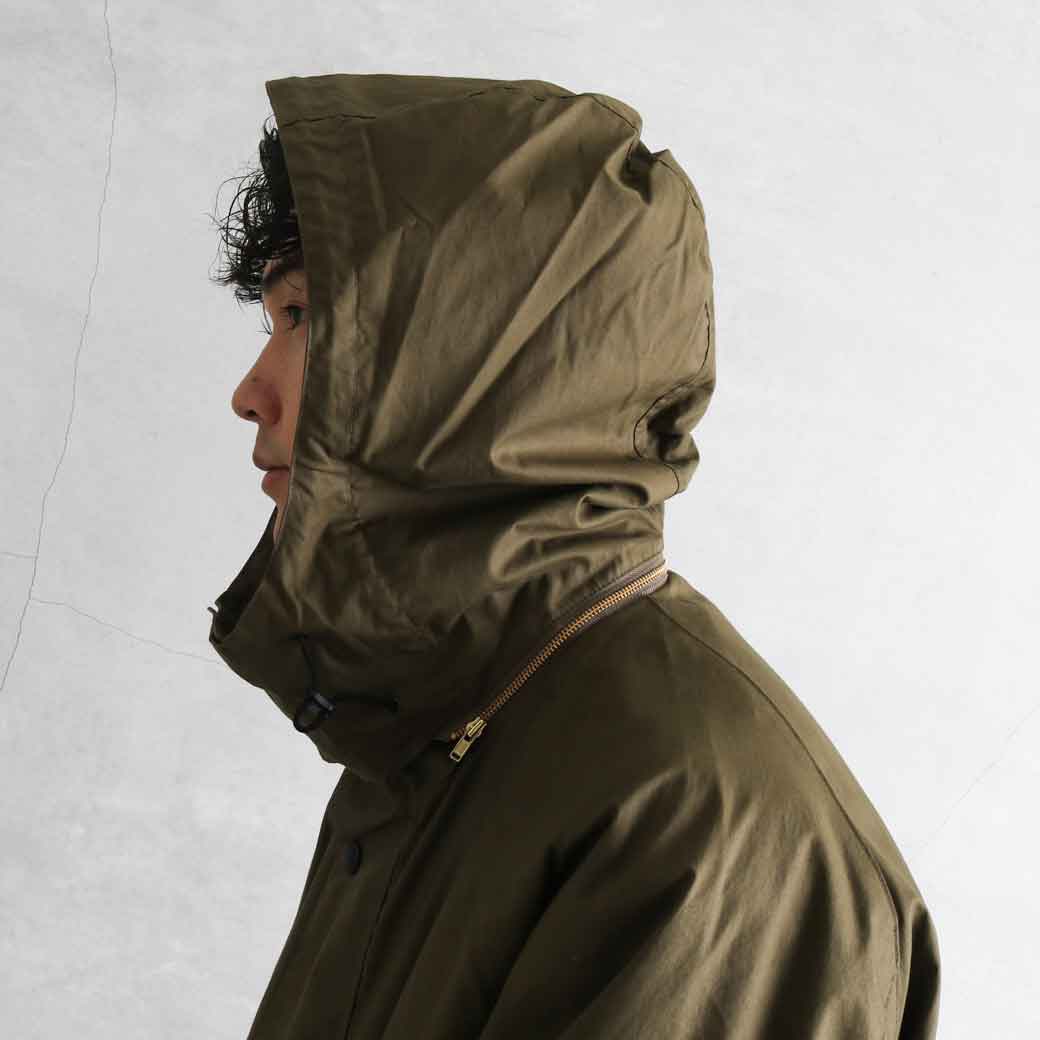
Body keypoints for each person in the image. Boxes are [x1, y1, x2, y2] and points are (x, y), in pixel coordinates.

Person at [206, 73, 941, 1039]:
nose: (249, 391)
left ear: (471, 357)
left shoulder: (702, 825)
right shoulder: (439, 728)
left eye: (303, 318)